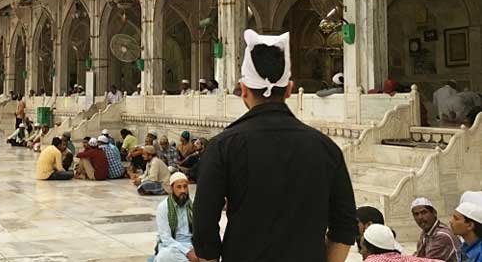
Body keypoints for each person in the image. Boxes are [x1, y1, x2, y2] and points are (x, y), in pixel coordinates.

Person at [192, 29, 358, 262]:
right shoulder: (325, 148)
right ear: (290, 89)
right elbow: (345, 226)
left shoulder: (223, 147)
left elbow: (204, 228)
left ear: (244, 91)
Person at [154, 172, 198, 262]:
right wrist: (187, 252)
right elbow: (165, 238)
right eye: (179, 187)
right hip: (172, 245)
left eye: (185, 186)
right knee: (163, 257)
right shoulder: (163, 207)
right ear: (172, 189)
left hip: (192, 244)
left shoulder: (193, 205)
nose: (183, 191)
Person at [360, 223, 441, 261]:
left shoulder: (372, 260)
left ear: (370, 248)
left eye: (362, 248)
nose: (361, 251)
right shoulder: (407, 259)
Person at [412, 197, 460, 261]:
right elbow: (418, 256)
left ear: (434, 213)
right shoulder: (426, 232)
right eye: (416, 214)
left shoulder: (442, 236)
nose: (420, 217)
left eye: (424, 212)